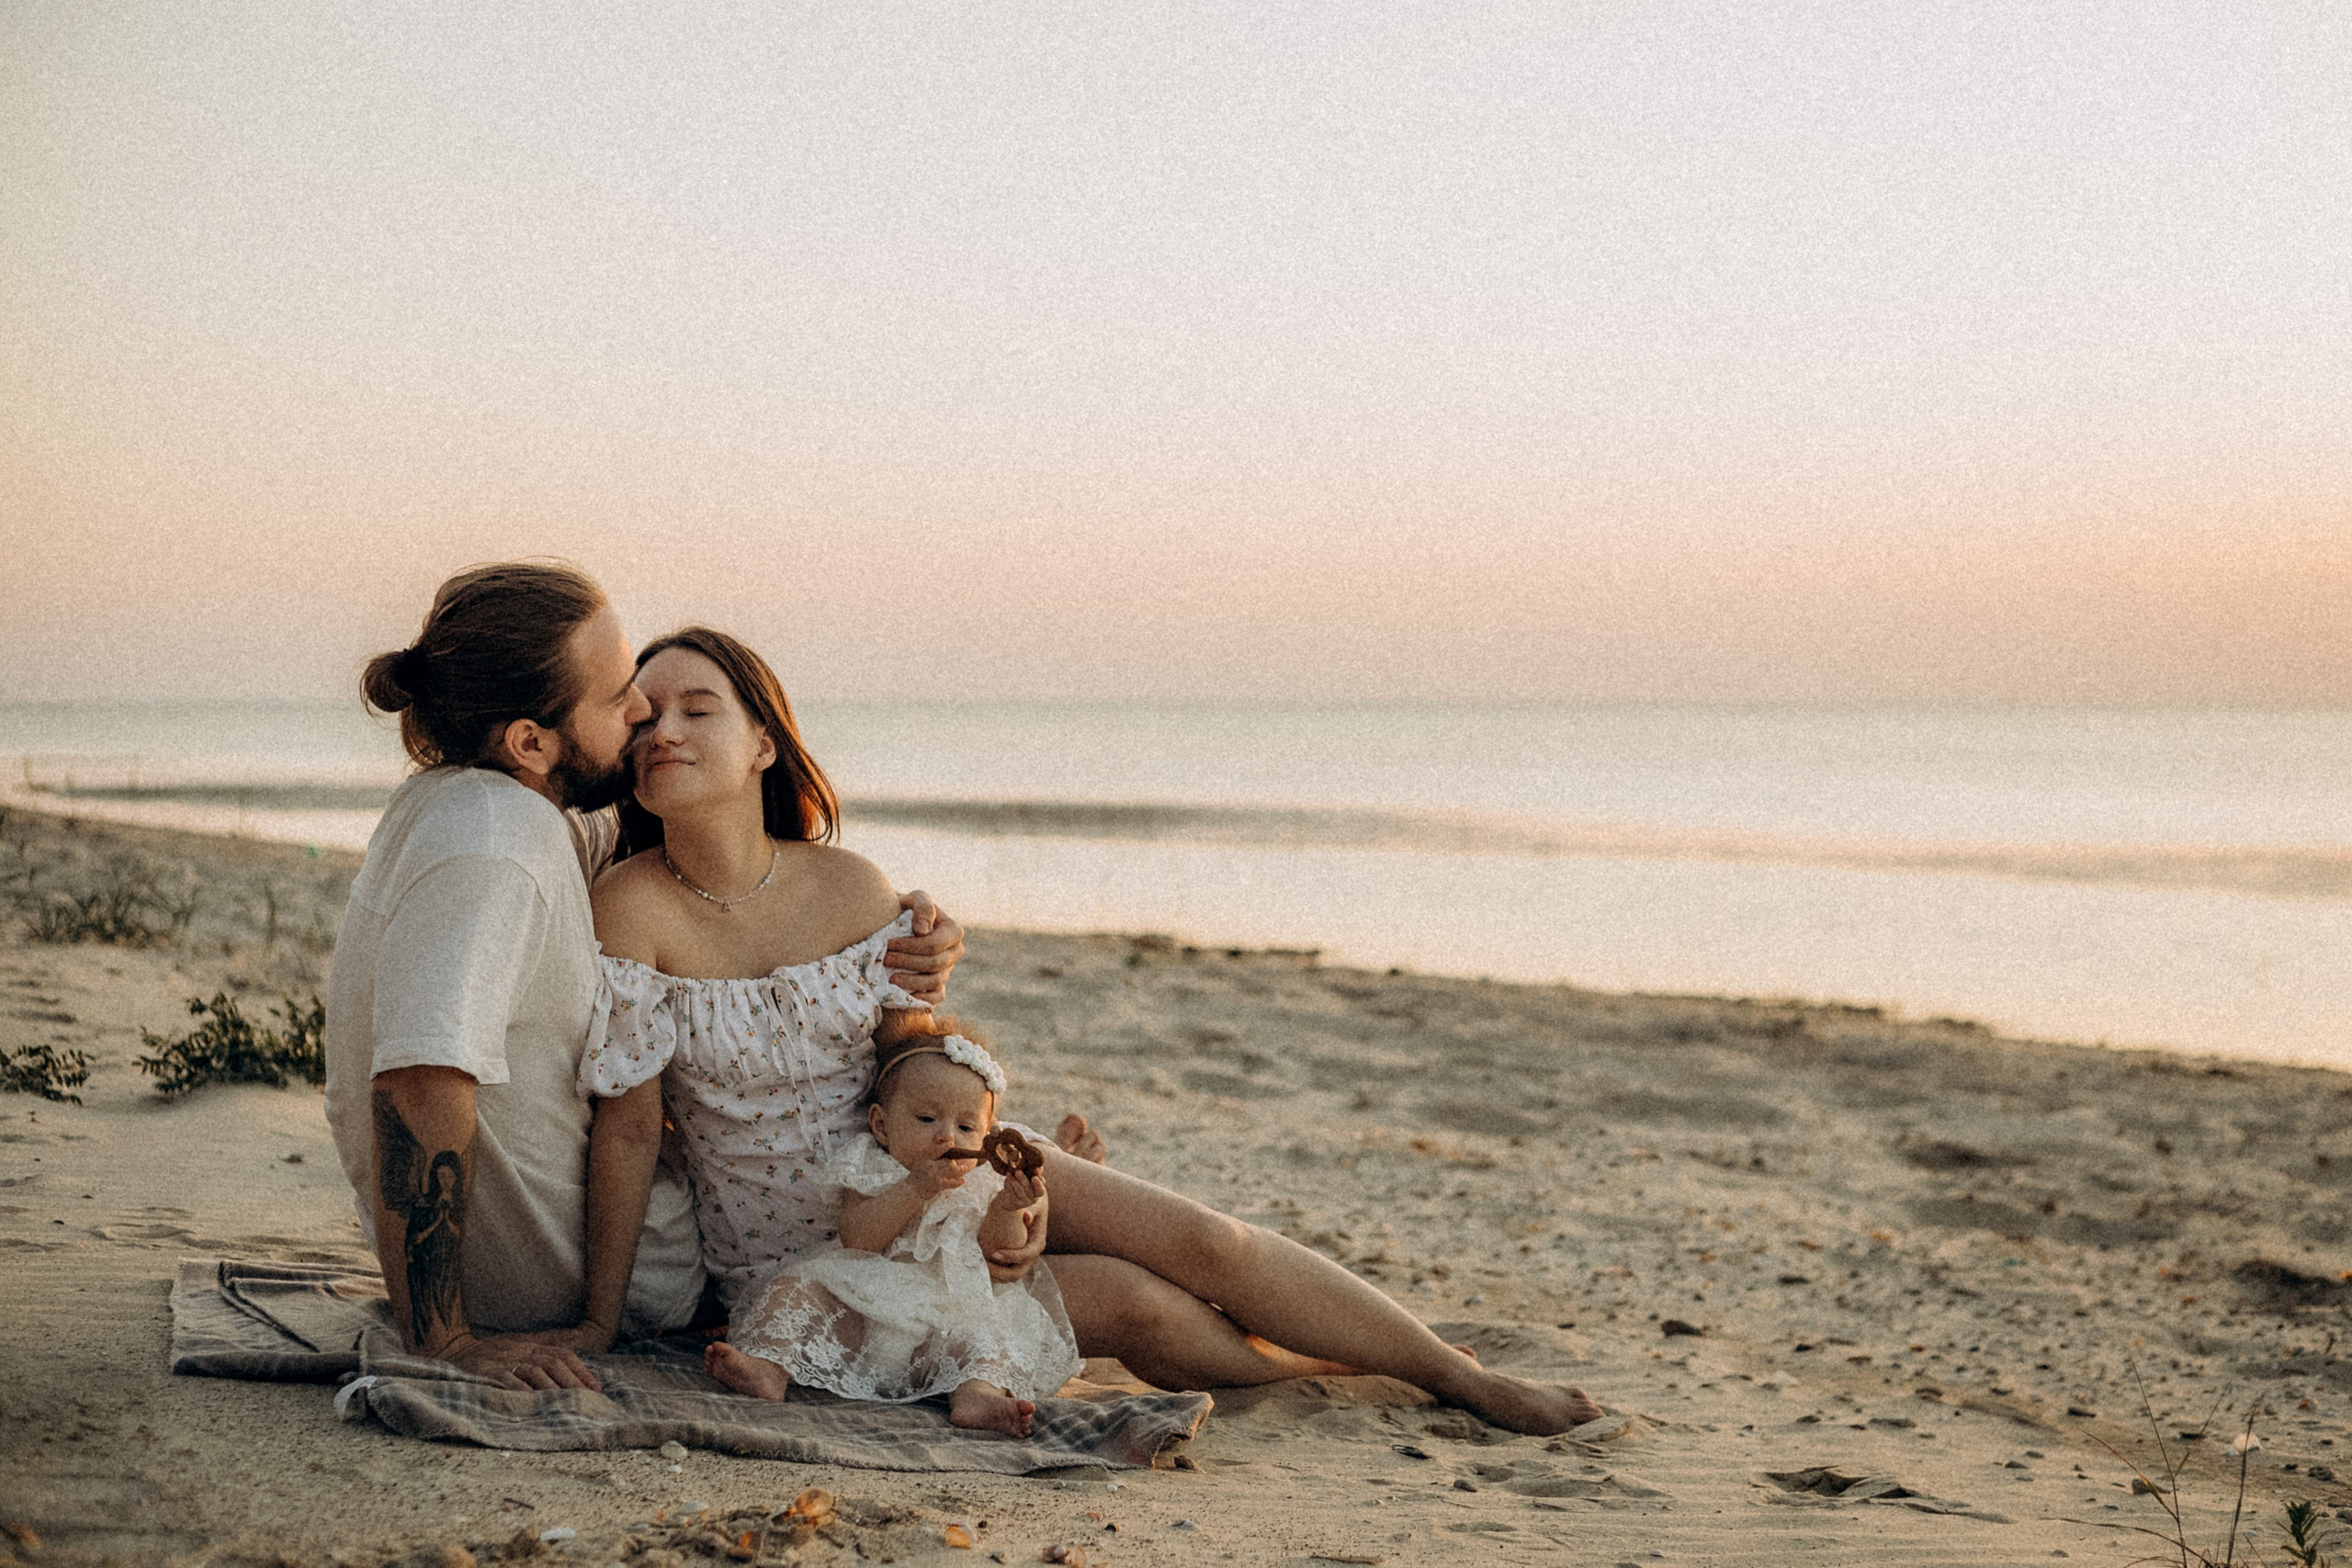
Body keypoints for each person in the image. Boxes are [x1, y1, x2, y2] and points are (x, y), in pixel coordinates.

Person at [586, 625, 1605, 1432]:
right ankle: (1327, 1361)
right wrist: (598, 1317)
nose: (660, 730)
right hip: (810, 1264)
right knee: (1131, 1303)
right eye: (644, 717)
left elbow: (914, 1060)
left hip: (942, 1165)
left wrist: (1004, 1166)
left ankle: (1450, 1376)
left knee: (1206, 1237)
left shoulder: (853, 886)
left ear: (763, 741)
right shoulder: (628, 904)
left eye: (695, 708)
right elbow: (629, 1129)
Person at [322, 561, 969, 1391]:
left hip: (563, 1254)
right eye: (618, 696)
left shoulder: (485, 808)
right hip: (598, 1277)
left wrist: (915, 924)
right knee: (1110, 1267)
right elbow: (419, 1081)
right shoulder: (494, 850)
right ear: (529, 741)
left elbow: (672, 858)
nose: (640, 714)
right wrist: (442, 1337)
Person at [696, 1021, 1080, 1439]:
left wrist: (1008, 1207)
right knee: (797, 1289)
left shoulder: (986, 1183)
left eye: (966, 1127)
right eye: (927, 1118)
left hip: (949, 1315)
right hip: (869, 1303)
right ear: (881, 1125)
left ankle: (976, 1397)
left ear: (987, 1138)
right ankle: (768, 1366)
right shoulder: (871, 1166)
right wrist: (913, 1188)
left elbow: (998, 1255)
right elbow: (858, 1239)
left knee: (983, 1337)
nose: (946, 1135)